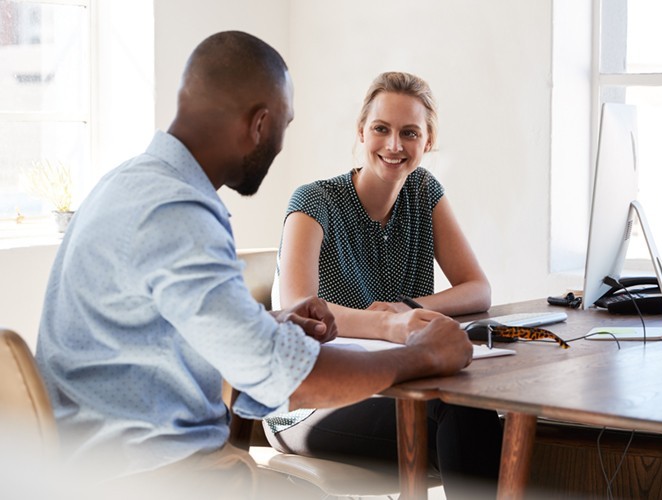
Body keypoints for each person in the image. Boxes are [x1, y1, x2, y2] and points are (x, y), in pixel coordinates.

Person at [33, 32, 473, 499]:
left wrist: (265, 324)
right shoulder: (178, 212)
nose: (280, 144)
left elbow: (160, 332)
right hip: (153, 477)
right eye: (284, 125)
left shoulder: (128, 184)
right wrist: (421, 354)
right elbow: (286, 377)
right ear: (259, 124)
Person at [269, 71, 502, 498]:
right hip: (309, 404)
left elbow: (477, 288)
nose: (394, 145)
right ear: (361, 131)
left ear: (427, 142)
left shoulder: (424, 192)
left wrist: (405, 307)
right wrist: (389, 326)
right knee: (465, 420)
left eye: (409, 133)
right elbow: (299, 310)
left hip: (393, 388)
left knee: (476, 413)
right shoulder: (313, 202)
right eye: (381, 129)